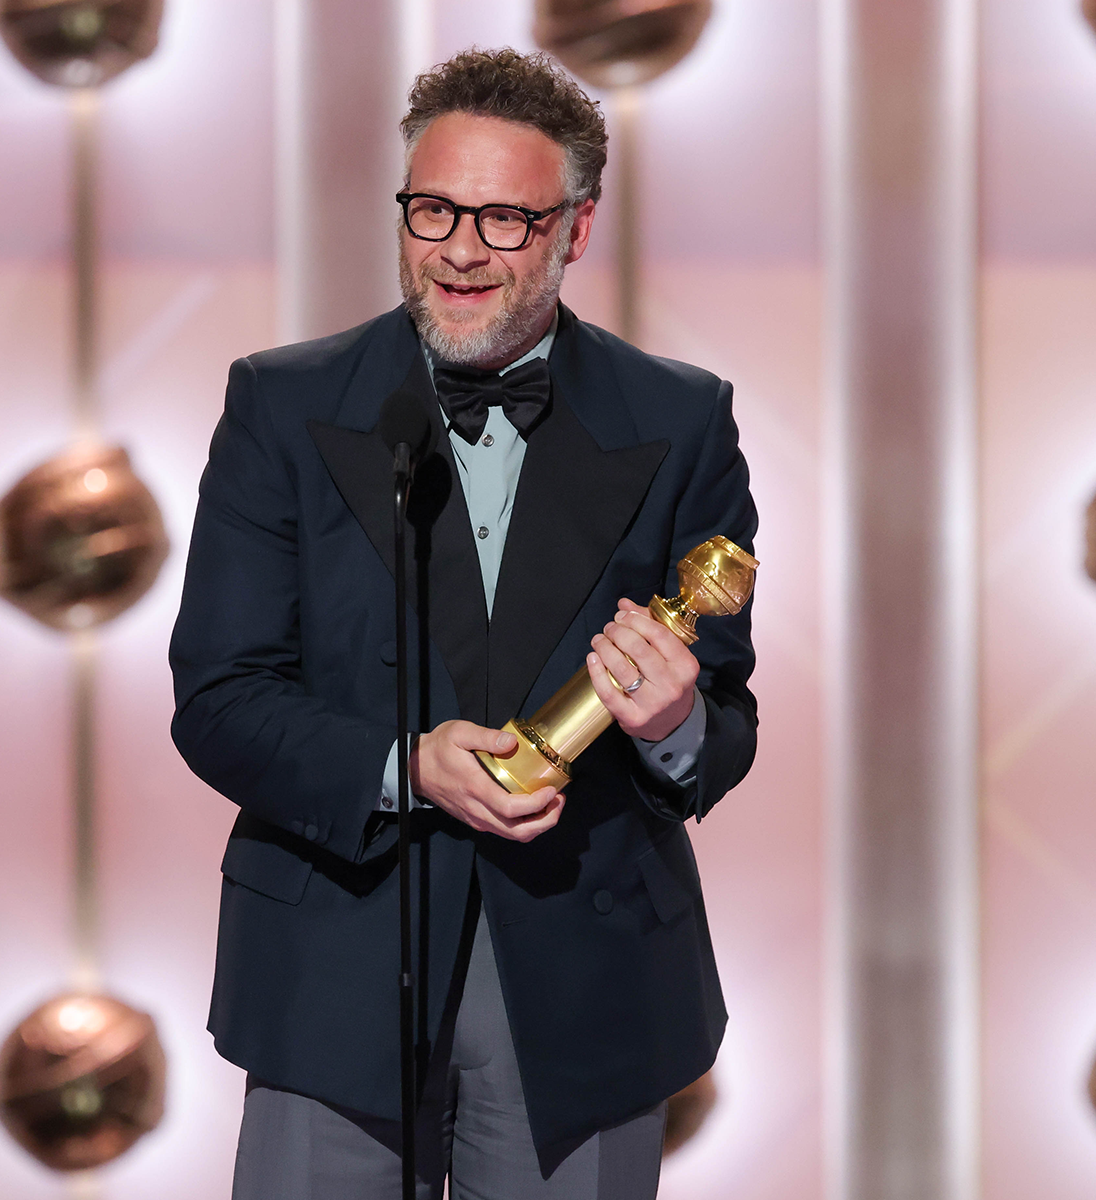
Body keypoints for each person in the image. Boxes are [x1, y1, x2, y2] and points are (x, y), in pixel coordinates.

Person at [170, 47, 758, 1200]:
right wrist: (405, 764)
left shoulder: (681, 419)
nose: (459, 249)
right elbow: (221, 698)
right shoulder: (283, 405)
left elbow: (724, 724)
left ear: (576, 230)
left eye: (504, 218)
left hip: (584, 973)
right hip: (335, 953)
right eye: (433, 208)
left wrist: (674, 719)